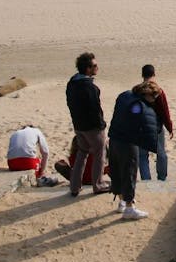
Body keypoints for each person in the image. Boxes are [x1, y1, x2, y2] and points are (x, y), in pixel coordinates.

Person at [107, 82, 159, 220]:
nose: (154, 99)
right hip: (127, 142)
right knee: (129, 173)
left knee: (117, 171)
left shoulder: (125, 96)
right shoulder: (137, 106)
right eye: (154, 96)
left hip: (114, 138)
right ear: (147, 94)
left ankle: (122, 202)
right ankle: (129, 207)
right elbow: (139, 121)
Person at [66, 52, 110, 196]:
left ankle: (74, 186)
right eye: (95, 66)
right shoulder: (89, 87)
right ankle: (98, 184)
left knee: (82, 153)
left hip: (79, 125)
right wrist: (101, 125)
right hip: (92, 127)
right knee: (99, 153)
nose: (97, 68)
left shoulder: (72, 84)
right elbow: (95, 109)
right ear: (88, 68)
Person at [138, 64, 174, 182]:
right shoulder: (158, 91)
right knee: (161, 153)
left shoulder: (137, 90)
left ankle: (146, 179)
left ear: (142, 75)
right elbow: (165, 111)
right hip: (156, 127)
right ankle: (162, 178)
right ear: (154, 74)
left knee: (143, 156)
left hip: (141, 127)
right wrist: (169, 127)